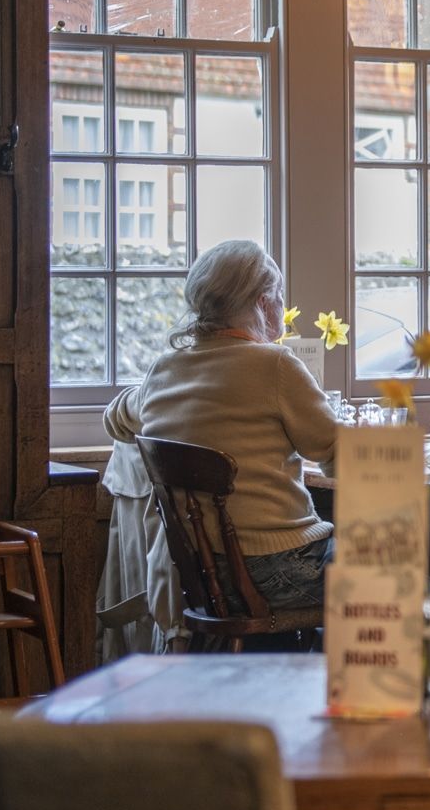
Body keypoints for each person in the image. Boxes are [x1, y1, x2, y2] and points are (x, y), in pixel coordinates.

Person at [104, 239, 339, 610]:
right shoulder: (276, 365)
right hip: (281, 567)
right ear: (263, 302)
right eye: (278, 295)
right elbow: (336, 452)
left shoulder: (163, 370)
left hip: (203, 574)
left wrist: (152, 395)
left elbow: (115, 420)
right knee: (414, 585)